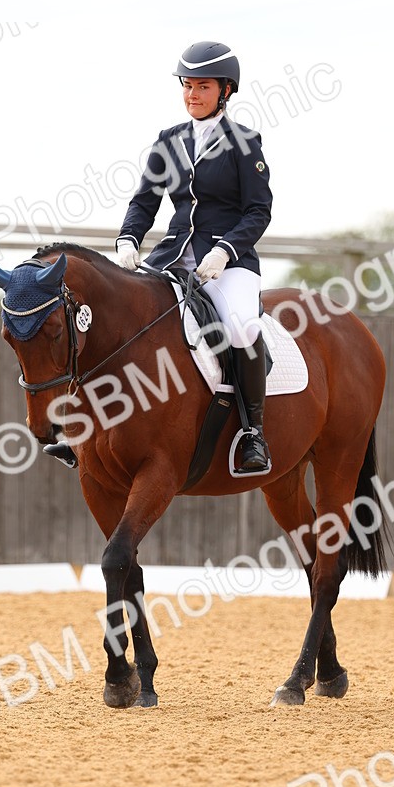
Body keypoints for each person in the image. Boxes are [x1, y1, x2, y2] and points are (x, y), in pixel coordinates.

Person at [114, 40, 273, 472]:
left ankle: (253, 432)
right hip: (173, 254)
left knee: (241, 326)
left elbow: (259, 211)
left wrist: (225, 250)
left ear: (225, 91)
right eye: (187, 86)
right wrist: (128, 240)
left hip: (229, 261)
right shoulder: (169, 142)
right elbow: (144, 201)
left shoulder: (244, 143)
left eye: (203, 87)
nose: (192, 94)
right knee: (121, 314)